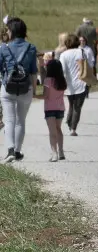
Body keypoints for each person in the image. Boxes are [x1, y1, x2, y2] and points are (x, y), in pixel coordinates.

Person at [0, 17, 38, 162]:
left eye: (8, 30)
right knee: (21, 121)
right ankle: (17, 151)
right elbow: (34, 72)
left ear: (12, 32)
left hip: (7, 88)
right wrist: (33, 90)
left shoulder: (4, 48)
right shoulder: (31, 48)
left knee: (9, 120)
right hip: (25, 88)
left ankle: (9, 150)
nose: (7, 32)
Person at [40, 55, 67, 162]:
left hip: (49, 109)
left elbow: (45, 96)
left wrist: (34, 96)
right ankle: (61, 151)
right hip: (60, 108)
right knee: (58, 129)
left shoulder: (48, 81)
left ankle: (54, 153)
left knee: (52, 132)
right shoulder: (62, 80)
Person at [59, 34, 87, 137]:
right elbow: (84, 67)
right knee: (77, 107)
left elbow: (62, 70)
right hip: (81, 83)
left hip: (69, 84)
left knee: (71, 105)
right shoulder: (80, 52)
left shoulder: (63, 55)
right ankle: (73, 128)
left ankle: (69, 121)